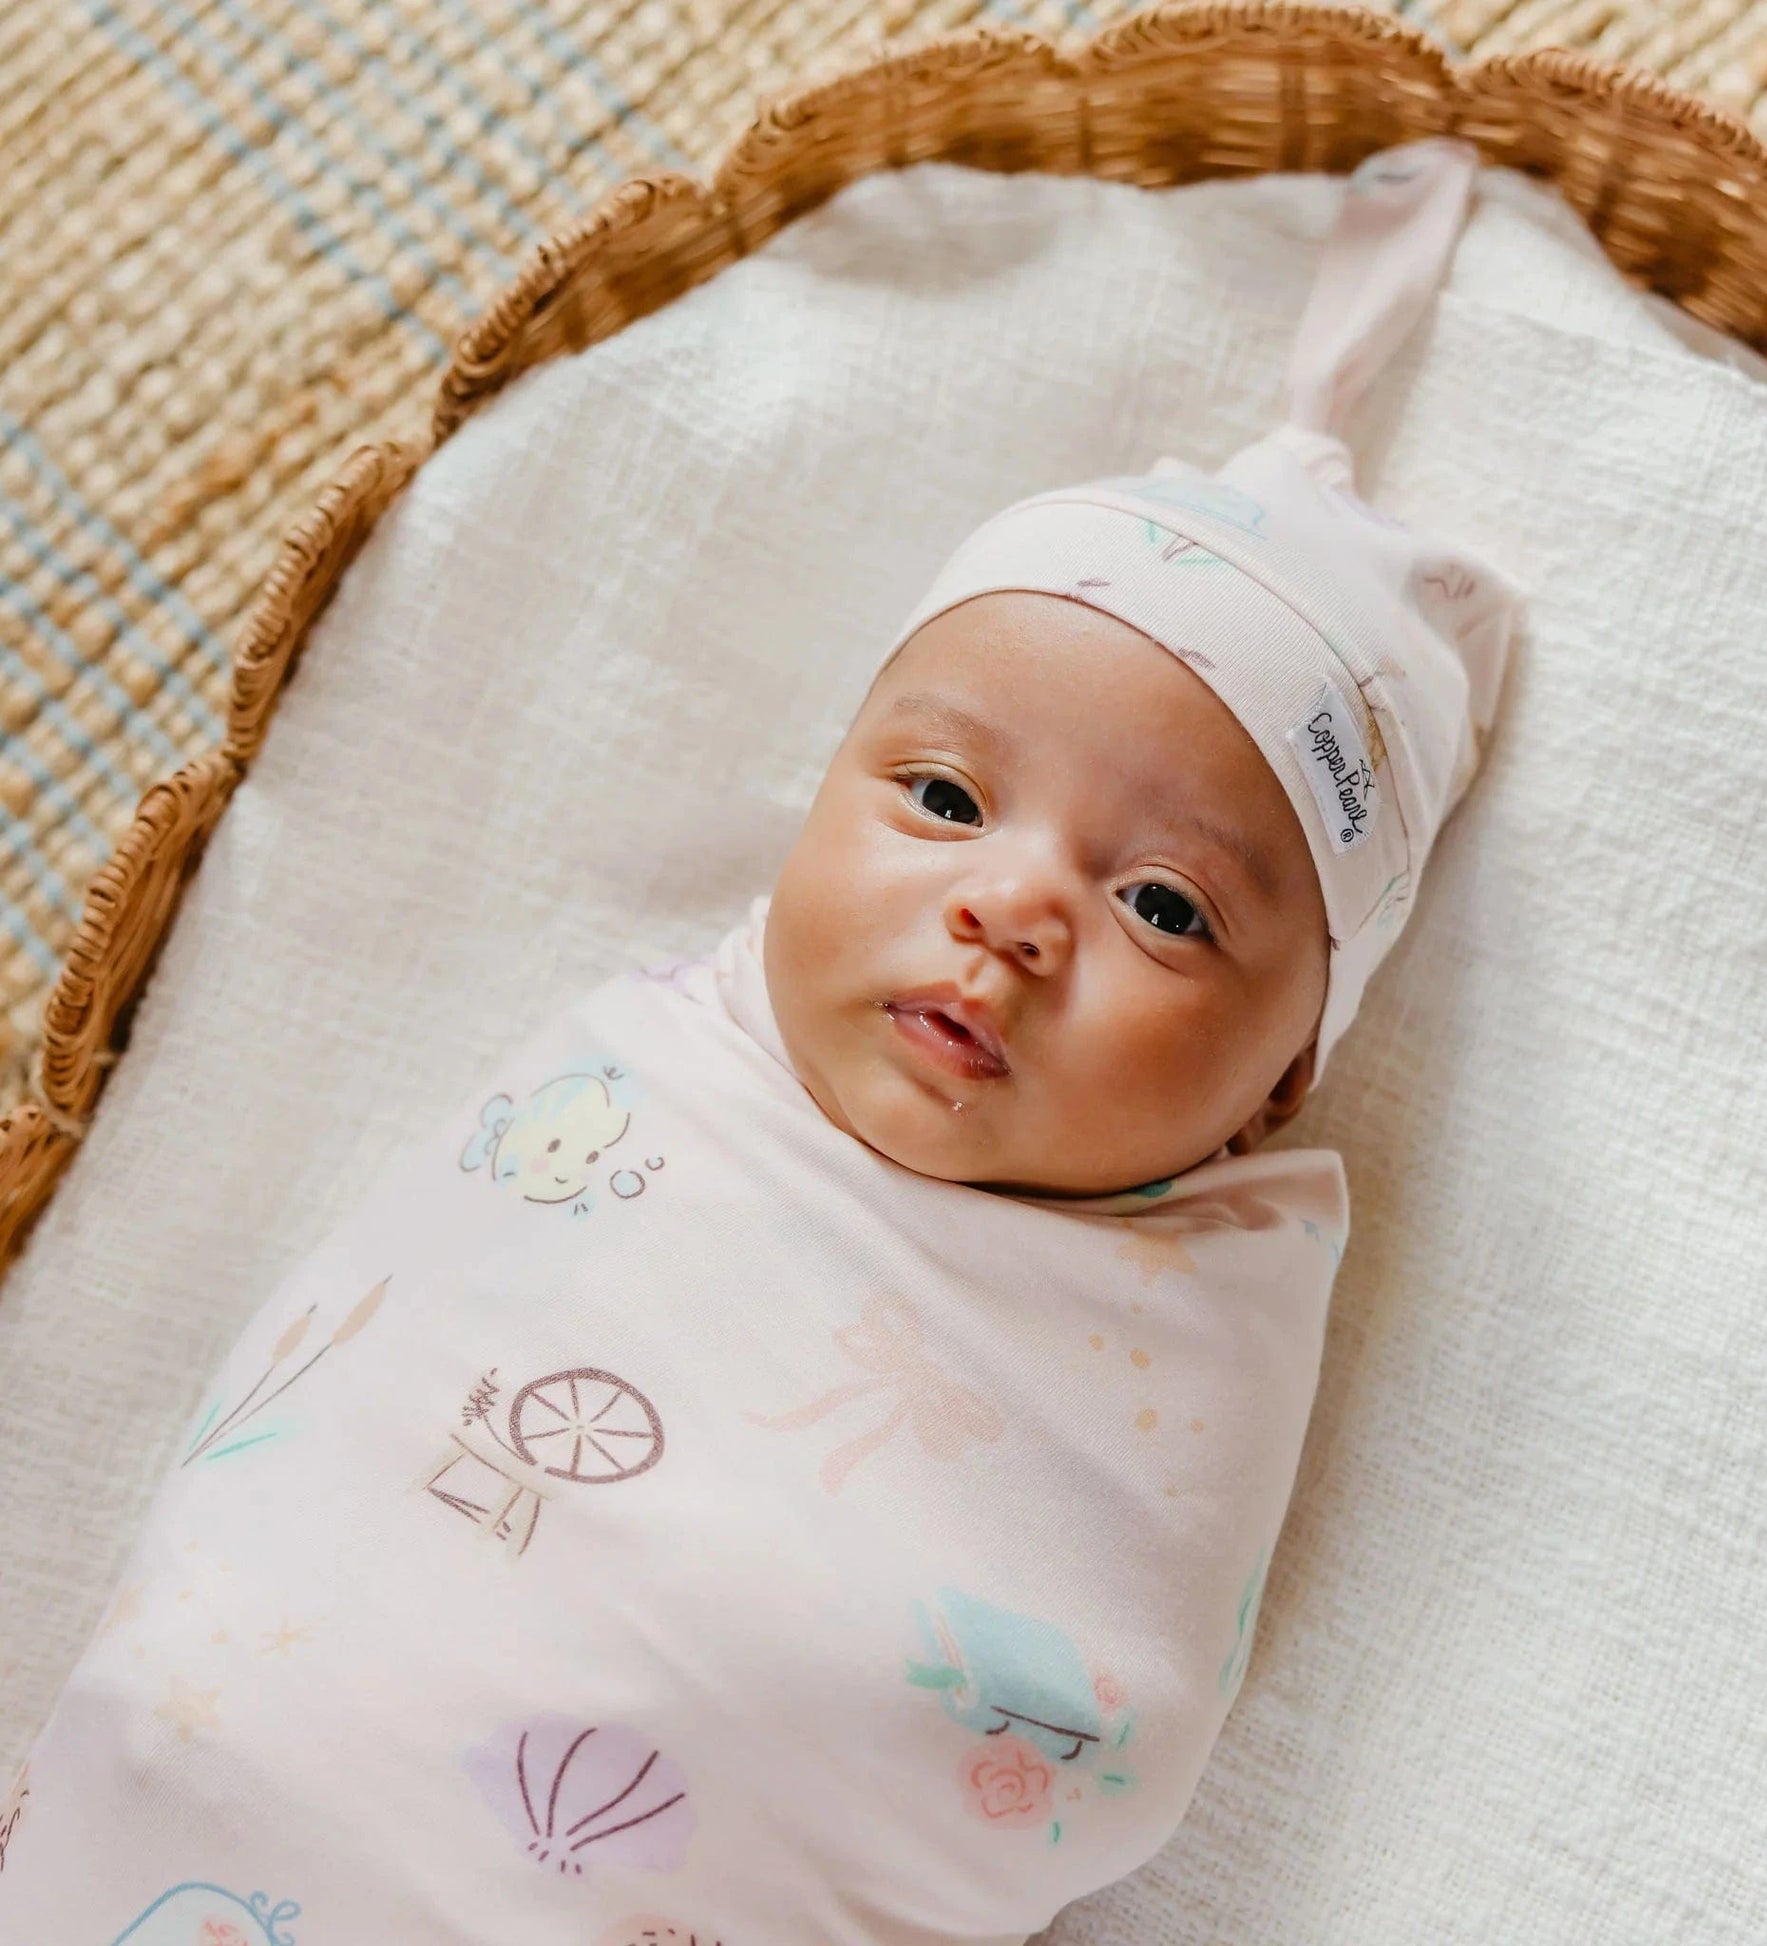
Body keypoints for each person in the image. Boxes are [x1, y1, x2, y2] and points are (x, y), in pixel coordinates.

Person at [0, 137, 1518, 1946]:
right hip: (176, 1793)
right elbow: (377, 1354)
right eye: (946, 795)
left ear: (1282, 1076)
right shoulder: (662, 1071)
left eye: (1166, 908)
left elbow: (1093, 1699)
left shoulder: (1163, 1349)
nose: (1016, 908)